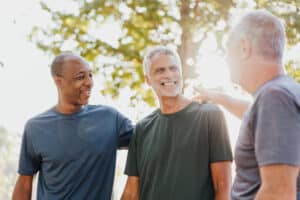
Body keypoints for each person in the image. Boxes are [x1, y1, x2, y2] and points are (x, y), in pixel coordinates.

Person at [12, 52, 133, 200]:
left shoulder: (110, 119)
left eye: (90, 75)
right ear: (58, 81)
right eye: (80, 77)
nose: (89, 82)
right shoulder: (35, 127)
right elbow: (25, 182)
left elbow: (148, 141)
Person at [121, 46, 233, 200]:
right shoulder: (142, 129)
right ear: (148, 80)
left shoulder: (210, 115)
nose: (168, 75)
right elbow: (131, 193)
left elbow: (223, 186)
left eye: (173, 68)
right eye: (160, 71)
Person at [222, 10, 300, 200]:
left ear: (243, 47)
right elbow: (251, 114)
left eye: (227, 51)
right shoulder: (285, 93)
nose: (225, 60)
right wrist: (220, 98)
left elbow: (279, 192)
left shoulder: (274, 97)